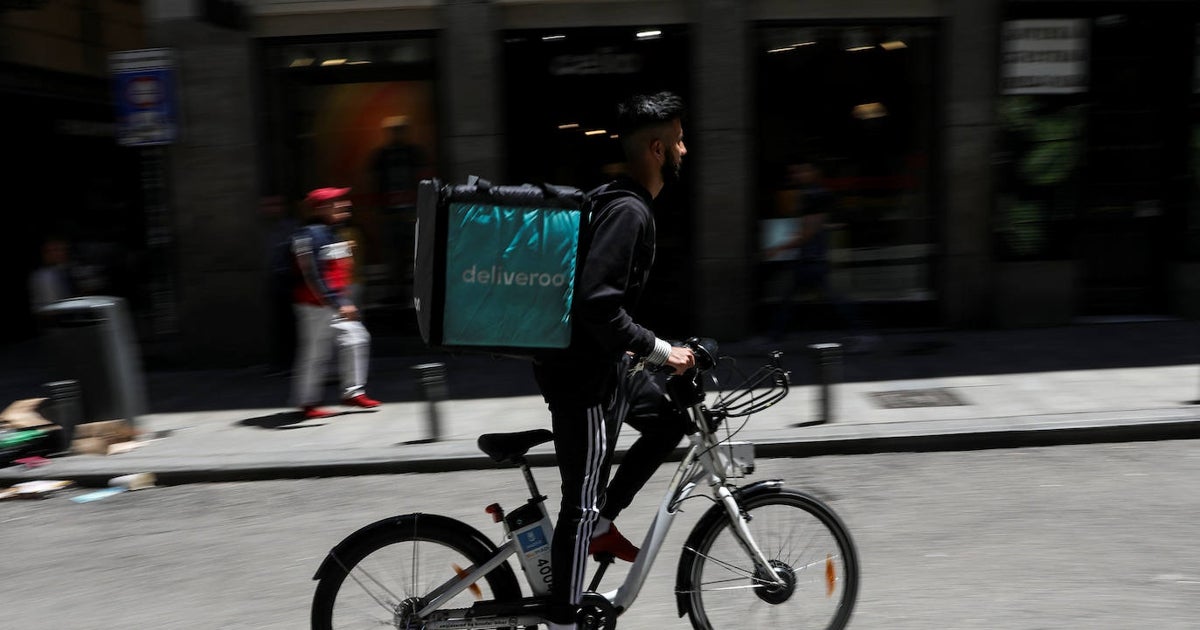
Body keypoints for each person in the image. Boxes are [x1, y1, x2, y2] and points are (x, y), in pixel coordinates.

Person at [531, 91, 696, 629]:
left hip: (605, 367)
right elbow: (598, 304)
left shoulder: (616, 197)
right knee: (576, 503)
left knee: (671, 418)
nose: (684, 149)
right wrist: (658, 349)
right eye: (677, 140)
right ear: (656, 148)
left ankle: (605, 520)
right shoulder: (627, 209)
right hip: (581, 379)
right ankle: (562, 619)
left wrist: (657, 354)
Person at [763, 161, 876, 352]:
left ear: (815, 172)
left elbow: (808, 231)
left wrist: (779, 248)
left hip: (812, 258)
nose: (796, 175)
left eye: (801, 171)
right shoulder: (812, 194)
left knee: (818, 298)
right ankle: (774, 337)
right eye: (795, 172)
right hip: (810, 257)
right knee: (792, 299)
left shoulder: (814, 195)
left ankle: (861, 332)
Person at [289, 187, 380, 419]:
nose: (344, 205)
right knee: (315, 353)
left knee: (357, 338)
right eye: (337, 202)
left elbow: (331, 267)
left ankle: (352, 392)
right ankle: (306, 403)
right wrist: (337, 302)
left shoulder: (330, 232)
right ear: (321, 208)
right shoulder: (309, 234)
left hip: (333, 302)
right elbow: (313, 274)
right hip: (315, 305)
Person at [28, 236, 78, 315]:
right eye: (53, 251)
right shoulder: (41, 277)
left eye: (61, 250)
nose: (58, 254)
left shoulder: (69, 271)